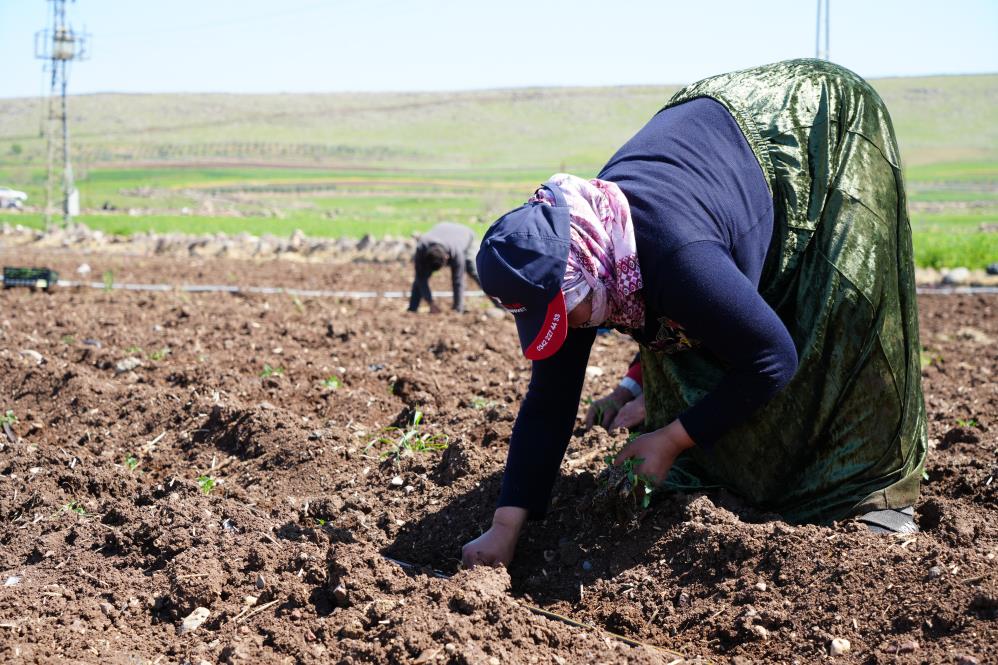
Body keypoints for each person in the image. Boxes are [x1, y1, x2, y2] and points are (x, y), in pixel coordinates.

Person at [462, 59, 928, 568]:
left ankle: (875, 492)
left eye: (564, 309)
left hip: (817, 131)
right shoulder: (578, 264)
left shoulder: (676, 257)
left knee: (833, 321)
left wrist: (671, 437)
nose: (568, 325)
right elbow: (549, 401)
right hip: (709, 169)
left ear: (584, 267)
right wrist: (504, 527)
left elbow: (772, 357)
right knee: (687, 337)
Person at [408, 222, 482, 313]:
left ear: (447, 258)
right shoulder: (421, 248)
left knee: (474, 271)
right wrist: (431, 303)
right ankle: (412, 309)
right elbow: (420, 278)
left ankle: (500, 304)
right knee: (421, 274)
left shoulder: (457, 253)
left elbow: (458, 281)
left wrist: (457, 310)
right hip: (444, 230)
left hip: (465, 235)